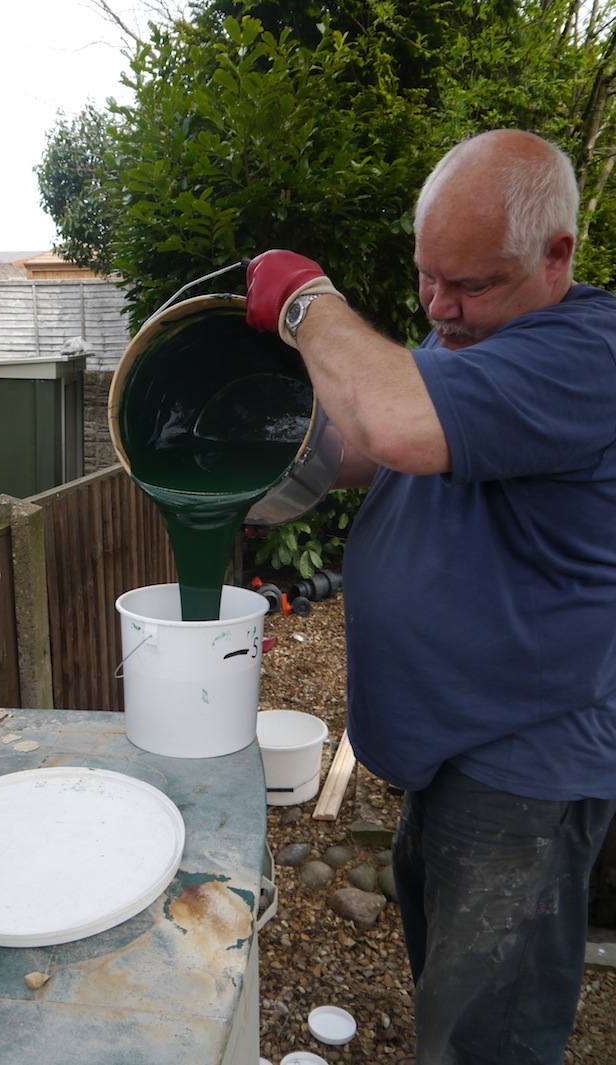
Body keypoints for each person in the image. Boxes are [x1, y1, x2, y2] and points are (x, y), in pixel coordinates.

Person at [245, 129, 616, 1065]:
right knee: (447, 988)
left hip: (526, 768)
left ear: (556, 254)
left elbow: (400, 422)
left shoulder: (584, 357)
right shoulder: (480, 337)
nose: (441, 308)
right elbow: (367, 444)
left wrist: (306, 301)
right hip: (457, 751)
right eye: (426, 279)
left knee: (485, 1034)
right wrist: (257, 461)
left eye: (471, 284)